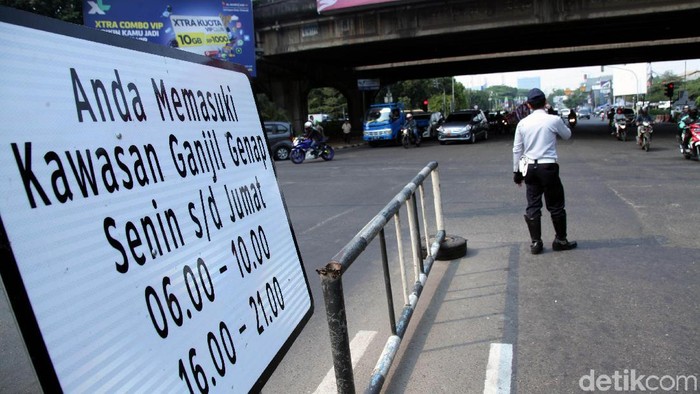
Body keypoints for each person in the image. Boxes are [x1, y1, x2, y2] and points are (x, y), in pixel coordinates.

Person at [513, 88, 577, 254]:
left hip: (530, 168)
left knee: (533, 204)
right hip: (548, 167)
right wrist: (557, 116)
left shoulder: (523, 123)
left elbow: (517, 150)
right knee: (555, 205)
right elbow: (567, 135)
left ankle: (536, 243)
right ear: (545, 102)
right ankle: (560, 240)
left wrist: (517, 172)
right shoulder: (553, 120)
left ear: (528, 105)